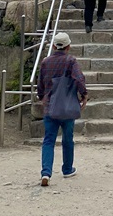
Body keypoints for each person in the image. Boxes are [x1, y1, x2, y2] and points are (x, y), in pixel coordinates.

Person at [37, 32, 88, 187]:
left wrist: (42, 98)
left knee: (48, 140)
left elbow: (41, 85)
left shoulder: (46, 62)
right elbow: (78, 79)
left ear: (53, 46)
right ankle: (67, 169)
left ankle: (46, 172)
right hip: (67, 107)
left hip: (50, 106)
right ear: (68, 46)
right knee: (67, 138)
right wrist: (84, 95)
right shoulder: (71, 61)